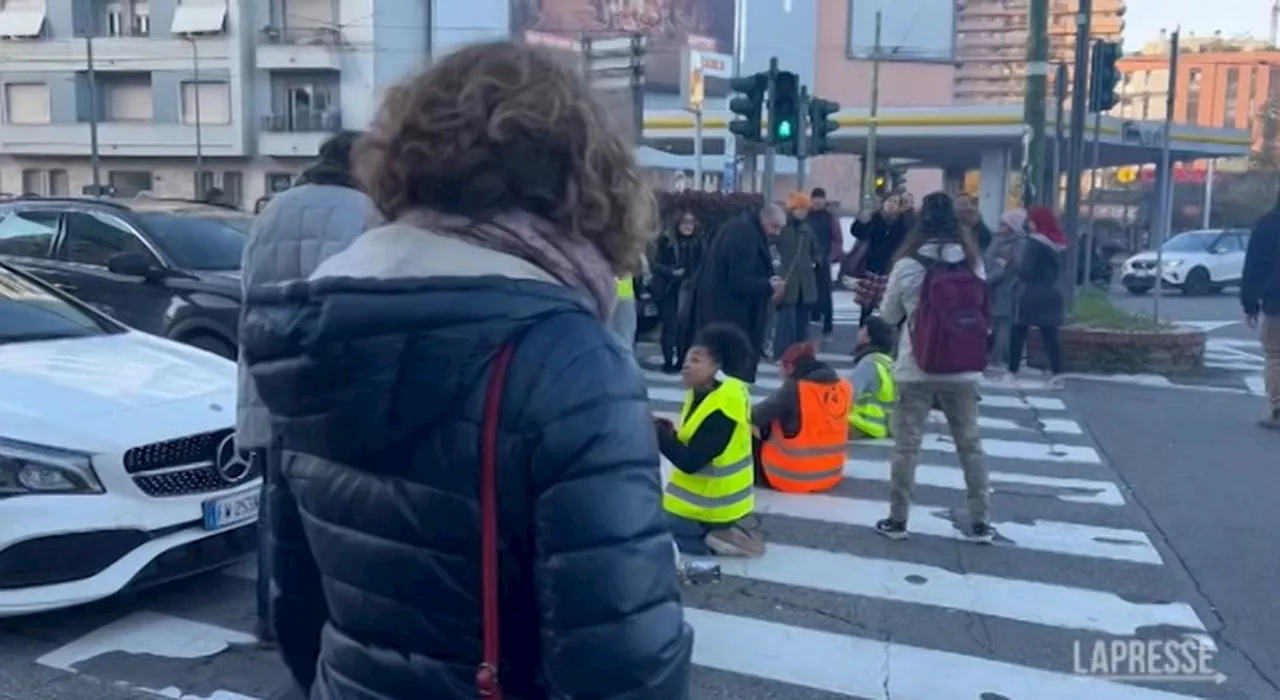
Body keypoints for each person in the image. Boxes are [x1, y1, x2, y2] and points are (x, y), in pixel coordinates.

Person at [240, 41, 693, 699]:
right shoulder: (572, 362)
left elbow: (295, 605)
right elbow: (622, 665)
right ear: (580, 179)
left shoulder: (314, 330)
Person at [235, 129, 380, 649]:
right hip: (327, 389)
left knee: (275, 507)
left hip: (267, 381)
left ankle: (268, 620)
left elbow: (248, 290)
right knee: (328, 513)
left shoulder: (274, 209)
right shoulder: (365, 213)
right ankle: (322, 616)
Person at [873, 191, 993, 544]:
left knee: (907, 445)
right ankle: (981, 522)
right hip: (965, 368)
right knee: (970, 444)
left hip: (917, 366)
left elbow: (890, 315)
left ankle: (898, 520)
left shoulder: (908, 264)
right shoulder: (971, 261)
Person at [657, 323, 765, 557]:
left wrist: (657, 433)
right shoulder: (706, 392)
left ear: (718, 368)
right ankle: (723, 531)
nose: (686, 366)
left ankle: (710, 539)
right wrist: (670, 434)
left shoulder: (723, 405)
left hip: (710, 506)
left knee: (646, 527)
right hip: (710, 500)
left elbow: (690, 461)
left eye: (696, 361)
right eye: (687, 359)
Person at [693, 204, 788, 383]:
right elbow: (738, 279)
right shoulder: (744, 237)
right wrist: (768, 285)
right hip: (734, 318)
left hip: (720, 314)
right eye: (774, 226)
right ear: (763, 220)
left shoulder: (738, 229)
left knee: (720, 372)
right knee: (731, 374)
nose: (777, 233)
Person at [752, 341, 851, 493]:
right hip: (831, 473)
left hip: (793, 476)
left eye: (781, 368)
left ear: (790, 367)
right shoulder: (843, 387)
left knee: (745, 424)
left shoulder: (795, 389)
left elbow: (756, 415)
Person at [1008, 206, 1067, 387]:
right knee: (1050, 335)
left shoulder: (1035, 242)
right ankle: (1058, 372)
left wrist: (1012, 263)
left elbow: (1026, 270)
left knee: (1018, 330)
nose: (1029, 224)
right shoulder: (1058, 243)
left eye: (1031, 221)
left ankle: (1012, 370)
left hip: (1032, 292)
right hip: (1053, 292)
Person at [1241, 190, 1280, 429]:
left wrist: (1250, 304)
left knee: (1276, 356)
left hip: (1278, 300)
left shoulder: (1268, 226)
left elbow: (1254, 267)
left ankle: (1278, 409)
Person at [651, 209, 705, 372]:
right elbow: (654, 263)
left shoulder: (698, 243)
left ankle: (681, 360)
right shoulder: (665, 241)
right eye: (684, 223)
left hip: (689, 289)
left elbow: (703, 264)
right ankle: (668, 360)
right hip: (669, 289)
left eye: (691, 223)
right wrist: (671, 272)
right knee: (670, 326)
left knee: (686, 328)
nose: (688, 227)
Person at [772, 192, 822, 359]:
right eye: (800, 209)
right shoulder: (782, 228)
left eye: (805, 209)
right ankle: (782, 353)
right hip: (787, 280)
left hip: (805, 282)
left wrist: (816, 261)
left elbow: (815, 249)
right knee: (786, 323)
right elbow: (771, 248)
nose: (803, 212)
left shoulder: (806, 229)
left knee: (802, 324)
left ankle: (799, 355)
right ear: (792, 209)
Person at [849, 193, 910, 326]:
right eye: (889, 200)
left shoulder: (903, 222)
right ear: (883, 203)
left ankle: (886, 338)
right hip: (872, 268)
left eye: (895, 202)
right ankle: (864, 335)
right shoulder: (875, 219)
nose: (891, 204)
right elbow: (858, 233)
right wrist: (861, 222)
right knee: (866, 309)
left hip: (891, 269)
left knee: (888, 307)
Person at [985, 208, 1029, 372]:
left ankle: (1000, 358)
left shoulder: (1019, 243)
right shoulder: (997, 239)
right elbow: (989, 258)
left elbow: (1008, 267)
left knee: (1004, 324)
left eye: (1004, 224)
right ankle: (993, 357)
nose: (1000, 227)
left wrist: (986, 279)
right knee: (994, 323)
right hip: (993, 287)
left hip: (1008, 287)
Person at [847, 315, 897, 440]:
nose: (858, 333)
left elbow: (849, 395)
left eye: (863, 329)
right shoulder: (888, 362)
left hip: (863, 424)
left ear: (869, 338)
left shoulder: (868, 363)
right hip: (885, 425)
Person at [807, 187, 843, 336]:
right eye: (815, 198)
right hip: (806, 260)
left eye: (820, 199)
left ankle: (827, 321)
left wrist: (831, 256)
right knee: (808, 290)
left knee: (825, 292)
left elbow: (837, 239)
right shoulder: (806, 216)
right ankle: (812, 316)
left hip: (823, 260)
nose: (817, 202)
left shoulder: (830, 218)